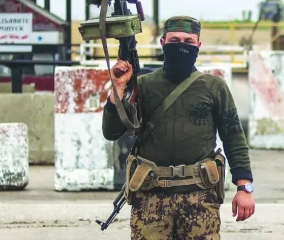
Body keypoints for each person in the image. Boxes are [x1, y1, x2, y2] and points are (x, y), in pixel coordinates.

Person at [102, 15, 255, 240]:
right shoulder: (142, 85)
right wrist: (117, 88)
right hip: (151, 198)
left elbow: (234, 138)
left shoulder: (214, 87)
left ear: (198, 46)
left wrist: (245, 188)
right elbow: (111, 131)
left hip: (200, 197)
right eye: (174, 40)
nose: (181, 45)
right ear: (163, 43)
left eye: (188, 41)